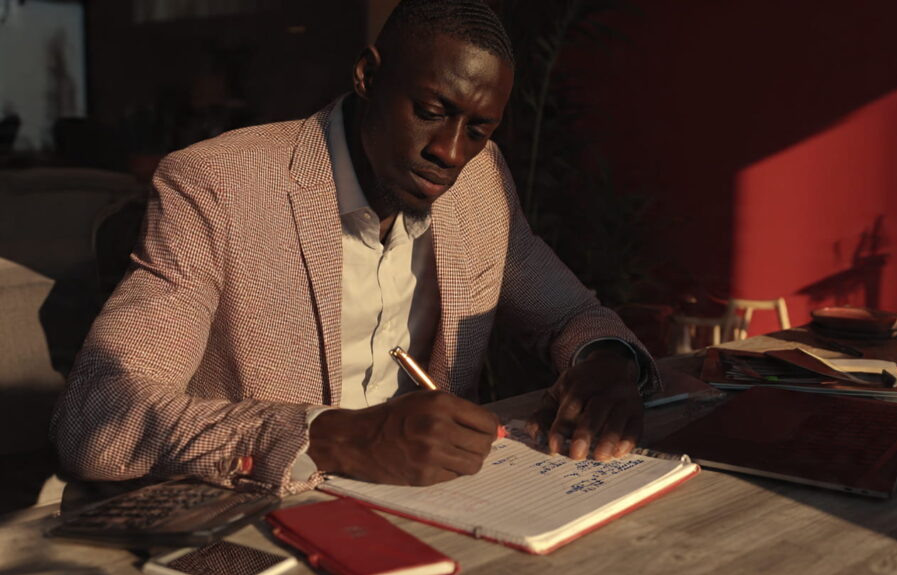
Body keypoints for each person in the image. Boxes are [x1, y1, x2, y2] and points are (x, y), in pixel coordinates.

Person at [51, 0, 659, 495]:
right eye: (431, 111)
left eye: (478, 129)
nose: (450, 152)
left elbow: (570, 315)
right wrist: (331, 438)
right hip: (263, 518)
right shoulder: (219, 186)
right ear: (367, 75)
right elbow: (98, 413)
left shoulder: (479, 183)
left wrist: (605, 365)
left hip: (452, 508)